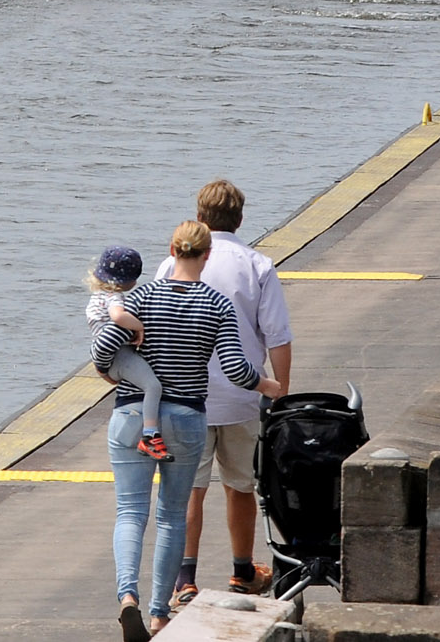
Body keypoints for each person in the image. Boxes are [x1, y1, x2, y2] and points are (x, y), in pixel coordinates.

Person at [92, 221, 277, 642]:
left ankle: (127, 598)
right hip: (186, 419)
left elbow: (102, 350)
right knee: (172, 516)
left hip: (130, 416)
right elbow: (233, 369)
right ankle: (159, 614)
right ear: (207, 255)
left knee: (129, 512)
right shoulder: (217, 304)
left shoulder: (140, 297)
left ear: (171, 251)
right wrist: (264, 384)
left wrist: (112, 372)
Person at [174, 179, 293, 606]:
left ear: (199, 216)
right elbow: (277, 335)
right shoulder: (257, 264)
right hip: (242, 396)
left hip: (186, 396)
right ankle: (243, 570)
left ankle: (184, 577)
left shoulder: (173, 263)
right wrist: (281, 392)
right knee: (241, 486)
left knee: (190, 488)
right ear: (240, 219)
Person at [86, 247, 171, 461]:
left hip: (105, 355)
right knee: (153, 386)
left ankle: (149, 433)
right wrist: (139, 326)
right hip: (119, 355)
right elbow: (117, 317)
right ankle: (150, 435)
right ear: (129, 280)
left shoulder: (97, 296)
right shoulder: (114, 297)